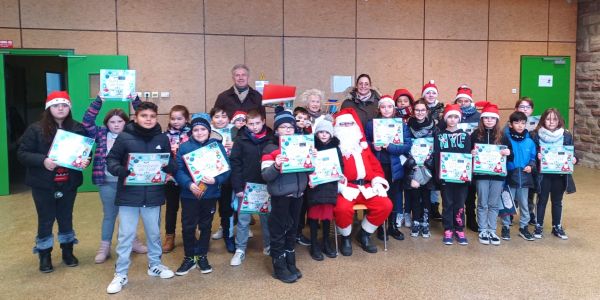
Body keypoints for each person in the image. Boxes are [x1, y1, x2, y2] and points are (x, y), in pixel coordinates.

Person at [105, 101, 177, 294]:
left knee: (154, 234)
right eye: (144, 116)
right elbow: (111, 160)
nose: (148, 119)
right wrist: (121, 170)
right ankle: (120, 273)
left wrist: (171, 167)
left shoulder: (162, 137)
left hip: (153, 194)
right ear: (136, 117)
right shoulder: (124, 137)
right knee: (126, 235)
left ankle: (155, 265)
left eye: (152, 116)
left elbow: (170, 160)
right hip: (129, 195)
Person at [18, 91, 90, 273]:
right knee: (46, 219)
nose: (60, 108)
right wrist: (43, 160)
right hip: (43, 184)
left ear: (69, 108)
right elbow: (22, 153)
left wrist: (86, 160)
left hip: (69, 182)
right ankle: (44, 255)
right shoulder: (35, 129)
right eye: (56, 105)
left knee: (66, 217)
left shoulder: (78, 128)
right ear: (48, 108)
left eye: (64, 105)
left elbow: (86, 152)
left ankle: (67, 252)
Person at [82, 93, 148, 263]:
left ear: (126, 122)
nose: (116, 125)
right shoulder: (101, 134)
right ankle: (104, 248)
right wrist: (98, 101)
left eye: (120, 121)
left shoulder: (133, 134)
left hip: (128, 181)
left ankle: (132, 241)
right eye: (112, 121)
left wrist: (135, 100)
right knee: (110, 215)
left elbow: (144, 115)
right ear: (107, 124)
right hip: (107, 182)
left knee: (131, 215)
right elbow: (87, 122)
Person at [173, 116, 231, 276]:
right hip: (189, 194)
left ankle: (202, 255)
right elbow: (178, 170)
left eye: (203, 129)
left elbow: (226, 170)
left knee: (206, 225)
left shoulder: (216, 147)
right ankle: (189, 256)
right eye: (196, 130)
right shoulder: (184, 147)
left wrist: (216, 179)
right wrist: (189, 185)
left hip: (210, 194)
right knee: (188, 226)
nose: (199, 132)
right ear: (191, 132)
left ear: (209, 131)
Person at [333, 108, 393, 256]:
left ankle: (364, 234)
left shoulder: (363, 149)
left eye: (349, 124)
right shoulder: (333, 150)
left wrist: (377, 182)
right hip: (345, 188)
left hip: (366, 187)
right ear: (337, 128)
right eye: (343, 125)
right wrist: (340, 187)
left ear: (355, 127)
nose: (347, 128)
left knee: (385, 205)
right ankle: (345, 237)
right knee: (342, 209)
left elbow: (375, 167)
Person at [261, 107, 311, 283]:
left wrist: (311, 159)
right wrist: (276, 165)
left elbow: (308, 168)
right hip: (281, 196)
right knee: (278, 230)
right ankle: (279, 265)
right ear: (276, 130)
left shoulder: (300, 143)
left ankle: (290, 260)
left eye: (290, 127)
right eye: (283, 127)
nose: (287, 130)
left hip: (298, 194)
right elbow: (266, 176)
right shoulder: (270, 148)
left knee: (292, 229)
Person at [229, 109, 273, 266]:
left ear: (263, 122)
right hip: (246, 186)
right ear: (246, 124)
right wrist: (238, 187)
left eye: (257, 123)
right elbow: (235, 164)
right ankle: (240, 249)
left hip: (266, 185)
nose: (254, 127)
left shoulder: (271, 138)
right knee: (243, 220)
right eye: (251, 124)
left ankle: (268, 245)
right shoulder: (241, 140)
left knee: (266, 219)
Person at [365, 95, 412, 241]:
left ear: (394, 108)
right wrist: (373, 146)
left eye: (389, 106)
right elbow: (364, 143)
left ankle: (392, 226)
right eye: (383, 107)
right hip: (378, 166)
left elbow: (407, 146)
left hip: (395, 166)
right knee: (379, 196)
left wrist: (391, 147)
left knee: (394, 196)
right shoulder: (370, 124)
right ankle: (380, 227)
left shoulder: (401, 125)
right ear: (379, 108)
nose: (386, 109)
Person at [531, 108, 576, 240]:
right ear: (543, 120)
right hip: (543, 174)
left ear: (559, 121)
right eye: (548, 119)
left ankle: (557, 226)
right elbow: (531, 153)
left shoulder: (566, 135)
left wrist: (574, 159)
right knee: (541, 200)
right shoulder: (535, 135)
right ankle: (538, 225)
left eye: (554, 119)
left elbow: (572, 152)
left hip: (560, 174)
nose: (551, 122)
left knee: (557, 201)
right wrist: (537, 156)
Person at [469, 102, 510, 245]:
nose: (489, 121)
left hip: (498, 176)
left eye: (492, 118)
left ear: (497, 120)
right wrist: (471, 153)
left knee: (493, 204)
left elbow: (511, 156)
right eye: (486, 118)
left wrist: (507, 152)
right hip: (481, 176)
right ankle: (483, 230)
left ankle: (492, 230)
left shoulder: (502, 136)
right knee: (482, 203)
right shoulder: (475, 135)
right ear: (482, 119)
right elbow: (468, 154)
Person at [434, 104, 472, 245]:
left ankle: (459, 228)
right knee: (447, 203)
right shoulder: (440, 136)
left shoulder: (465, 135)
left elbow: (468, 156)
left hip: (461, 177)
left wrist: (467, 176)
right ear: (445, 118)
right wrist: (439, 175)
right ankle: (448, 228)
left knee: (460, 203)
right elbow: (437, 156)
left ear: (459, 119)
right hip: (446, 177)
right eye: (450, 116)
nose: (453, 119)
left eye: (456, 117)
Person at [306, 115, 341, 261]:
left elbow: (340, 167)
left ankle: (326, 241)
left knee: (327, 216)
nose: (324, 135)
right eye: (321, 132)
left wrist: (341, 175)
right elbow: (306, 165)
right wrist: (309, 179)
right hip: (314, 186)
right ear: (317, 133)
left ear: (331, 134)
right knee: (314, 216)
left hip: (329, 186)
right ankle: (314, 243)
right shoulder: (311, 147)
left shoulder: (336, 148)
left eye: (326, 132)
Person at [500, 111, 537, 241]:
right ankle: (505, 227)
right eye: (516, 123)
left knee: (524, 204)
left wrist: (531, 166)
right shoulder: (505, 139)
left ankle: (523, 227)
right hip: (509, 177)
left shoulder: (530, 142)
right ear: (510, 124)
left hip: (525, 178)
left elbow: (533, 158)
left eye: (522, 123)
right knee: (507, 203)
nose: (520, 126)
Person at [405, 99, 437, 238]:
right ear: (413, 111)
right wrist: (413, 163)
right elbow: (404, 147)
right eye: (417, 110)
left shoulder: (434, 127)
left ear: (427, 111)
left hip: (427, 167)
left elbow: (437, 148)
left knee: (426, 196)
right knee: (414, 195)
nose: (420, 112)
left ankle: (425, 222)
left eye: (422, 110)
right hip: (413, 166)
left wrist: (427, 164)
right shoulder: (407, 126)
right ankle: (416, 221)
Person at [162, 105, 191, 253]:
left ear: (186, 119)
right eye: (173, 118)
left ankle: (189, 235)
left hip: (188, 178)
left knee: (189, 208)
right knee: (171, 208)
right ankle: (170, 236)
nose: (176, 121)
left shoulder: (193, 134)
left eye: (179, 118)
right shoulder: (164, 136)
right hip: (171, 178)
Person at [208, 106, 236, 253]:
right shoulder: (205, 132)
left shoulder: (235, 131)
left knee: (227, 208)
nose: (220, 119)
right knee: (208, 209)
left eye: (224, 116)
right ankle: (204, 237)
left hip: (228, 176)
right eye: (217, 116)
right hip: (210, 177)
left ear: (229, 118)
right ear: (211, 119)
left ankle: (228, 235)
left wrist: (235, 146)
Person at [454, 85, 480, 232]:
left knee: (471, 191)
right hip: (456, 157)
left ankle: (471, 217)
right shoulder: (452, 114)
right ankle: (458, 218)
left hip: (473, 157)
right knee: (458, 191)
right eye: (460, 101)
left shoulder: (478, 116)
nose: (463, 104)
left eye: (465, 101)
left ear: (470, 101)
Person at [421, 80, 444, 221]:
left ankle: (434, 207)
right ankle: (424, 206)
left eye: (433, 92)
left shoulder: (443, 110)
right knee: (423, 176)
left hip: (438, 147)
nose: (430, 95)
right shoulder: (419, 107)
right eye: (428, 92)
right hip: (422, 148)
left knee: (435, 179)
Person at [514, 97, 539, 224]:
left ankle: (530, 213)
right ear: (516, 109)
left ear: (532, 110)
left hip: (532, 163)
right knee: (513, 189)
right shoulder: (510, 126)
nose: (525, 109)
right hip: (515, 165)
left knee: (530, 190)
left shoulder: (538, 126)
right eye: (522, 107)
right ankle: (510, 213)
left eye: (527, 107)